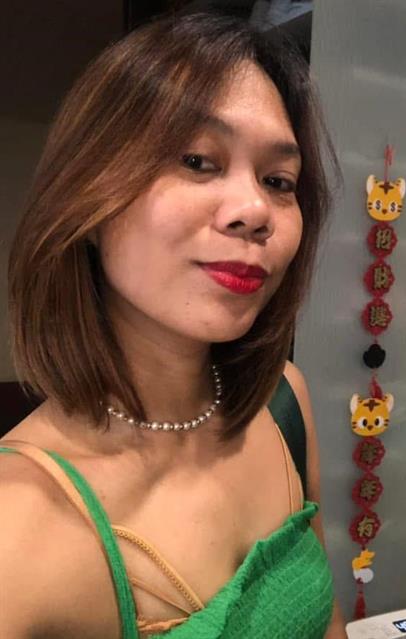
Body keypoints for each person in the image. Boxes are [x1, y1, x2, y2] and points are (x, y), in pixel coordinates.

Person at [0, 11, 346, 639]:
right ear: (87, 197)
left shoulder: (283, 402)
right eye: (197, 160)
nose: (255, 210)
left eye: (279, 181)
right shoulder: (16, 525)